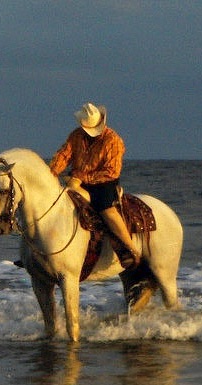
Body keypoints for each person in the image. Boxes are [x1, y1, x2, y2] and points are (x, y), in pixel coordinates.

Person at [49, 102, 142, 268]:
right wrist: (50, 173)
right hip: (77, 181)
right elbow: (64, 155)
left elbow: (111, 171)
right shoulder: (76, 135)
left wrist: (80, 177)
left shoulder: (113, 140)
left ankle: (129, 248)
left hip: (103, 183)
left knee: (107, 210)